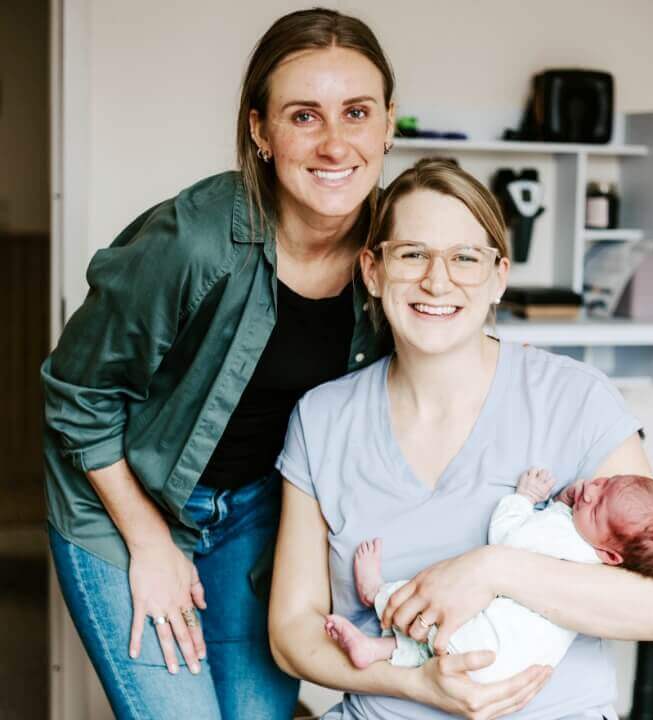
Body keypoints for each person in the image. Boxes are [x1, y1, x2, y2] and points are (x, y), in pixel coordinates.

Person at [42, 8, 402, 720]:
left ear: (389, 124)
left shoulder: (395, 250)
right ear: (260, 131)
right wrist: (149, 542)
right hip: (121, 503)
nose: (335, 144)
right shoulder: (196, 238)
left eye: (356, 112)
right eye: (304, 116)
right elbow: (76, 392)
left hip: (258, 518)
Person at [270, 158, 653, 719]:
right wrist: (416, 684)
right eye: (412, 253)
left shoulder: (575, 400)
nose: (437, 280)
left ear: (498, 277)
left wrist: (492, 569)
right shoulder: (322, 419)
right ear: (373, 271)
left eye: (464, 258)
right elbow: (290, 631)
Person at [324, 468, 653, 682]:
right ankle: (372, 649)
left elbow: (509, 538)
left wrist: (524, 498)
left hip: (495, 640)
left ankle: (380, 593)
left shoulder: (567, 538)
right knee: (433, 643)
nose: (590, 491)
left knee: (438, 605)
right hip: (504, 665)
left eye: (597, 507)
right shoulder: (597, 558)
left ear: (610, 554)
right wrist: (569, 507)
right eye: (605, 483)